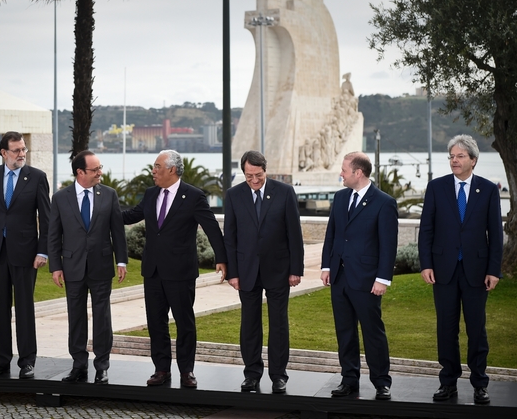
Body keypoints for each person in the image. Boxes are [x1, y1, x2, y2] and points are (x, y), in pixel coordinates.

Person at [122, 150, 227, 389]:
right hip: (153, 271)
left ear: (171, 169)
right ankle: (161, 370)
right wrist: (102, 214)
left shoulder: (194, 196)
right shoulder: (150, 194)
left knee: (184, 323)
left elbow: (211, 228)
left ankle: (186, 371)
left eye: (157, 166)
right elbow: (131, 215)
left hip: (181, 272)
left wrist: (221, 258)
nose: (153, 171)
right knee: (156, 322)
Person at [418, 135, 503, 404]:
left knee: (477, 329)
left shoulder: (488, 190)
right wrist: (426, 264)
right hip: (443, 270)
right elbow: (426, 229)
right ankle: (448, 382)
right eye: (452, 157)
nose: (454, 160)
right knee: (446, 328)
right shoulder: (436, 187)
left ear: (473, 160)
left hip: (477, 271)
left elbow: (496, 235)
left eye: (460, 157)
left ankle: (480, 383)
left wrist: (494, 270)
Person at [223, 150, 304, 394]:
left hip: (279, 270)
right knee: (249, 324)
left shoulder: (284, 192)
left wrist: (295, 269)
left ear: (265, 170)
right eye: (249, 176)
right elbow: (231, 237)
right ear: (243, 173)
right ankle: (251, 374)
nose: (254, 180)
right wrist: (232, 273)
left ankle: (279, 376)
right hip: (246, 271)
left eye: (258, 175)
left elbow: (294, 234)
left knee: (278, 324)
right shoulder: (234, 195)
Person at [320, 151, 398, 401]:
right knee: (344, 331)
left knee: (373, 332)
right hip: (340, 278)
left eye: (344, 170)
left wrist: (382, 279)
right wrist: (326, 266)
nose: (340, 174)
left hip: (367, 280)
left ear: (358, 173)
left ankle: (381, 382)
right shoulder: (341, 197)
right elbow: (331, 234)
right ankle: (349, 379)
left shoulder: (384, 202)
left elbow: (388, 245)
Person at [0, 131, 50, 379]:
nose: (21, 154)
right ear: (3, 153)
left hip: (27, 253)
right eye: (16, 150)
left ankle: (27, 361)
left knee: (25, 308)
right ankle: (0, 361)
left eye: (24, 149)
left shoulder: (37, 177)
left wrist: (43, 251)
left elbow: (47, 220)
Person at [48, 151, 128, 384]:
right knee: (76, 317)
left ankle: (102, 366)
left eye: (100, 167)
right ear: (80, 172)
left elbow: (117, 231)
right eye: (95, 170)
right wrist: (56, 266)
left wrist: (121, 260)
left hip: (102, 266)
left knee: (102, 318)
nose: (100, 172)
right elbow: (54, 235)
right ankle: (78, 365)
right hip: (72, 266)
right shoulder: (61, 198)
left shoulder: (109, 195)